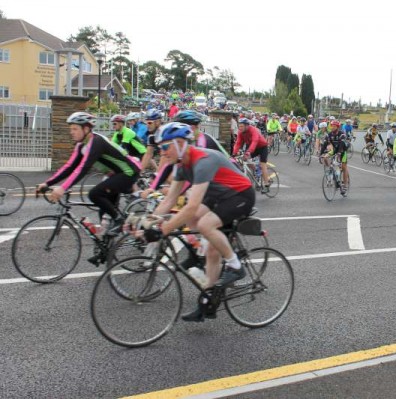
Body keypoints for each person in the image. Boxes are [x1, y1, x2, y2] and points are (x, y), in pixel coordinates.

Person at [145, 122, 255, 322]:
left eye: (164, 147)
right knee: (208, 245)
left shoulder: (202, 160)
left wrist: (163, 230)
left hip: (241, 195)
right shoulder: (180, 165)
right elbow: (170, 201)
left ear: (180, 143)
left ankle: (235, 266)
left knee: (204, 224)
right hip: (220, 196)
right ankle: (207, 302)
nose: (161, 153)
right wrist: (148, 222)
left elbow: (192, 206)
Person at [36, 112, 140, 259]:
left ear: (86, 129)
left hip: (129, 172)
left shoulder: (96, 142)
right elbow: (69, 167)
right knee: (103, 211)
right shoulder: (81, 145)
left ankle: (119, 220)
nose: (71, 132)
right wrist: (47, 183)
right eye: (70, 129)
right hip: (115, 174)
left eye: (75, 129)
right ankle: (106, 250)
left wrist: (62, 188)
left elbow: (82, 169)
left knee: (94, 194)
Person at [233, 118, 270, 193]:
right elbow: (238, 143)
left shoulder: (253, 130)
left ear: (247, 126)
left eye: (242, 126)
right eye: (239, 126)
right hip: (253, 148)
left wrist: (249, 152)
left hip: (262, 147)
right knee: (244, 159)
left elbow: (255, 141)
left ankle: (266, 185)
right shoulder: (240, 132)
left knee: (263, 165)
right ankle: (256, 171)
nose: (240, 128)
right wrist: (234, 153)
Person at [321, 120, 349, 196]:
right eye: (331, 126)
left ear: (337, 127)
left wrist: (339, 153)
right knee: (325, 158)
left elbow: (342, 144)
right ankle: (330, 170)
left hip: (342, 151)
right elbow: (324, 144)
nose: (332, 127)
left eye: (334, 126)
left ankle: (345, 185)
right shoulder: (329, 134)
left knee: (344, 167)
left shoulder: (342, 134)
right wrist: (321, 154)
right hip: (335, 150)